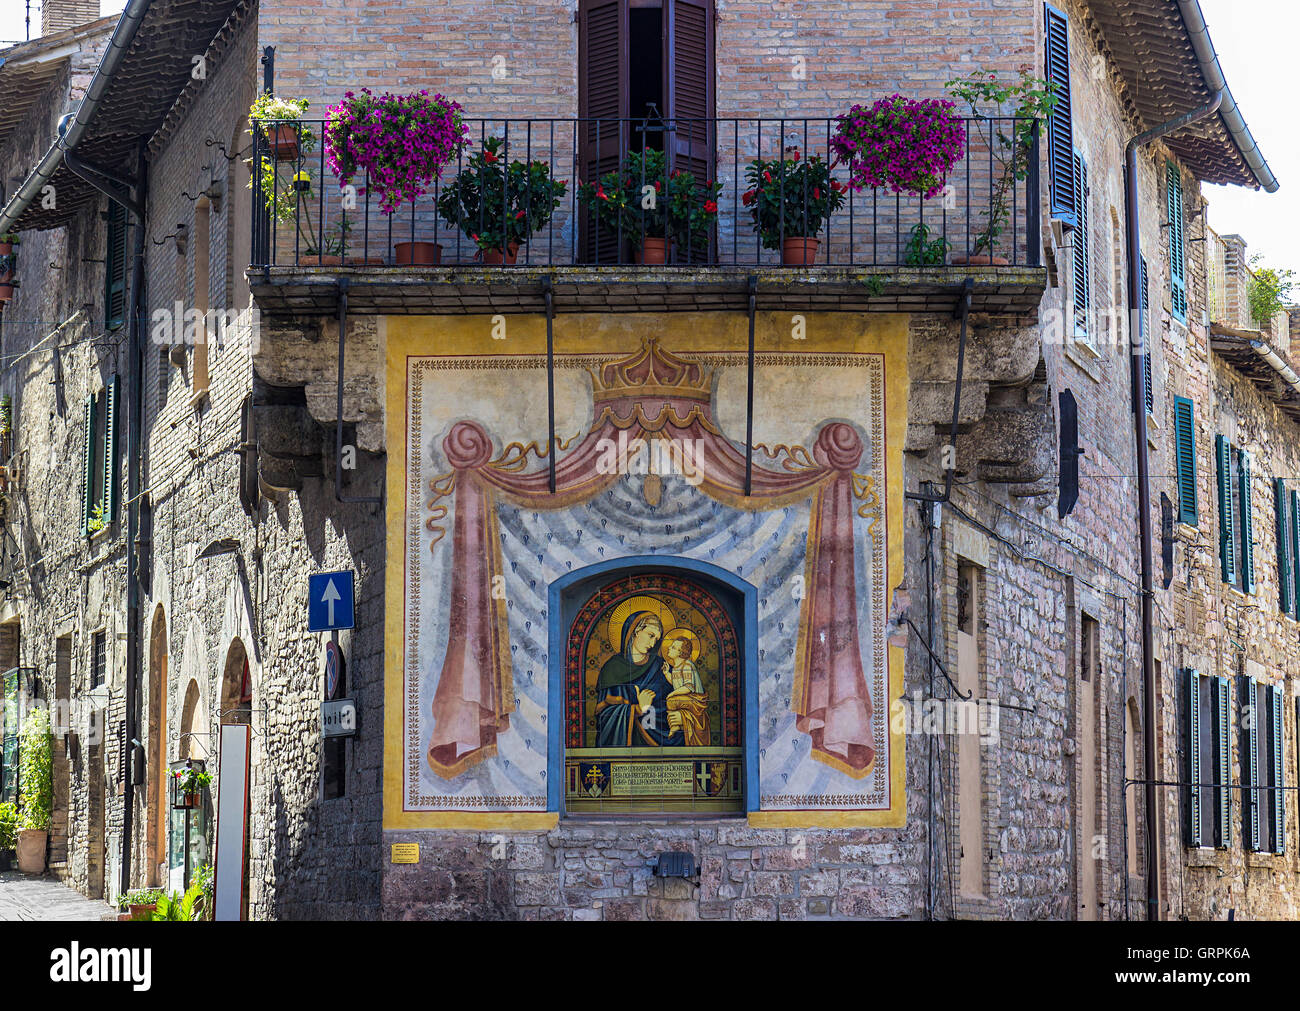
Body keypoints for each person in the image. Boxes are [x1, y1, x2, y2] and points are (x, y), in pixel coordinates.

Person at [593, 612, 682, 747]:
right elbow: (604, 716)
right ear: (636, 631)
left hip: (661, 739)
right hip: (625, 745)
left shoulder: (661, 667)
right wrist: (638, 709)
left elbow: (679, 699)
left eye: (656, 640)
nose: (652, 644)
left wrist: (682, 718)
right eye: (650, 635)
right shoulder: (612, 669)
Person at [661, 629, 710, 747]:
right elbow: (675, 683)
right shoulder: (676, 668)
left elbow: (688, 687)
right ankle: (675, 725)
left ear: (680, 652)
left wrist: (672, 694)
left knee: (671, 700)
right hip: (685, 700)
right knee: (671, 702)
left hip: (695, 700)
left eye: (673, 647)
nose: (669, 648)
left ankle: (677, 724)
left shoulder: (687, 665)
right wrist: (667, 673)